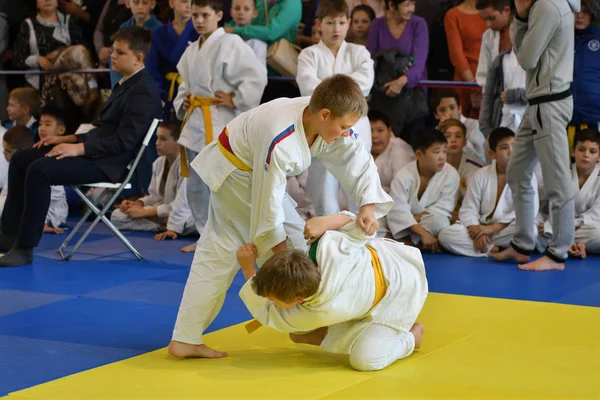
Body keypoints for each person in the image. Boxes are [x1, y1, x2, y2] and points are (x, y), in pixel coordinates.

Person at [167, 74, 393, 359]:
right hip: (240, 175)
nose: (347, 133)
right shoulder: (282, 137)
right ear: (324, 115)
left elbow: (357, 159)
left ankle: (185, 337)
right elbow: (268, 200)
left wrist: (367, 207)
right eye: (344, 127)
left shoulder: (324, 117)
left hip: (233, 170)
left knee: (220, 251)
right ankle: (310, 324)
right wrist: (280, 253)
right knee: (300, 248)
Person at [0, 26, 162, 267]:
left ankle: (25, 248)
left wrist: (78, 149)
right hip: (96, 152)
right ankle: (7, 236)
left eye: (120, 52)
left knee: (39, 171)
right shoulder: (126, 84)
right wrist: (68, 140)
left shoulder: (143, 91)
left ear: (138, 58)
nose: (112, 56)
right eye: (113, 50)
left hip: (109, 164)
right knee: (23, 158)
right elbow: (102, 131)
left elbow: (123, 142)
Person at [236, 211, 427, 372]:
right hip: (387, 262)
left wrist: (247, 268)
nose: (271, 301)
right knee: (299, 333)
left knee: (365, 361)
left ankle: (411, 339)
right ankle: (344, 331)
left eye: (273, 299)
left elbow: (270, 314)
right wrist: (328, 221)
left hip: (399, 293)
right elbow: (362, 227)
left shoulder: (319, 310)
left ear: (299, 298)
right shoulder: (325, 247)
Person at [489, 0, 580, 271]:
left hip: (549, 103)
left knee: (557, 183)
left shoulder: (548, 6)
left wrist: (521, 16)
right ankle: (522, 244)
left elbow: (526, 59)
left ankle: (558, 255)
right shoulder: (545, 5)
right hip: (540, 101)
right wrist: (522, 15)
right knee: (517, 172)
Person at [174, 0, 267, 253]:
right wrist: (184, 100)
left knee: (223, 183)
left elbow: (256, 76)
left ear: (218, 15)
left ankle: (232, 237)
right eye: (195, 15)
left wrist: (235, 98)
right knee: (196, 182)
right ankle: (206, 236)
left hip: (221, 120)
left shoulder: (231, 43)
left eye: (205, 15)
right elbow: (185, 86)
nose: (199, 20)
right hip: (196, 120)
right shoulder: (193, 49)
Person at [296, 0, 374, 217]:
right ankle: (327, 238)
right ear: (319, 23)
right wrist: (344, 90)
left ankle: (361, 236)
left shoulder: (360, 53)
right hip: (323, 126)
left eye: (341, 22)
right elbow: (308, 88)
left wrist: (327, 89)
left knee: (359, 177)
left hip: (355, 125)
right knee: (322, 184)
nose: (336, 28)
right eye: (330, 23)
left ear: (348, 23)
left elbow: (364, 83)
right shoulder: (309, 55)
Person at [439, 127, 538, 257]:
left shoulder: (527, 175)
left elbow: (529, 209)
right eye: (504, 148)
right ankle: (497, 249)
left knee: (530, 230)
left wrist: (492, 229)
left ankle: (487, 248)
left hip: (505, 229)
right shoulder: (481, 174)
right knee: (445, 235)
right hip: (481, 227)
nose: (511, 151)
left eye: (514, 146)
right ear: (492, 154)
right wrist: (476, 233)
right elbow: (469, 208)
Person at [110, 120, 196, 239]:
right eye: (157, 138)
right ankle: (163, 226)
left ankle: (171, 225)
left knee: (192, 221)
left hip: (185, 213)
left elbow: (181, 205)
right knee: (117, 216)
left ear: (179, 142)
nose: (157, 143)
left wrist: (144, 213)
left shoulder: (187, 165)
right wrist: (138, 203)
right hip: (164, 213)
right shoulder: (159, 163)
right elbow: (155, 196)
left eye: (163, 139)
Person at [386, 128, 459, 252]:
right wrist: (422, 233)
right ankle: (417, 241)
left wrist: (419, 216)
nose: (442, 158)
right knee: (378, 219)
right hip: (406, 224)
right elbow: (397, 209)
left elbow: (444, 206)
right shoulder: (404, 175)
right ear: (419, 154)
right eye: (436, 152)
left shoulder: (450, 173)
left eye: (445, 152)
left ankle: (407, 242)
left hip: (428, 221)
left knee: (440, 222)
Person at [539, 129, 600, 259]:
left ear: (599, 155)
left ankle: (564, 243)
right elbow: (553, 207)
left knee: (598, 233)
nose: (586, 155)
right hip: (557, 224)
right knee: (532, 230)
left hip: (582, 228)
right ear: (573, 151)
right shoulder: (560, 173)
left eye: (592, 151)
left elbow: (596, 214)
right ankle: (575, 245)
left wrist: (568, 229)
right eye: (581, 149)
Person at [146, 0, 199, 120]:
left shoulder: (200, 32)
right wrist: (157, 95)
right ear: (171, 3)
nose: (189, 6)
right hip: (166, 90)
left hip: (192, 91)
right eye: (184, 1)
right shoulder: (158, 33)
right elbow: (152, 69)